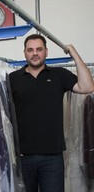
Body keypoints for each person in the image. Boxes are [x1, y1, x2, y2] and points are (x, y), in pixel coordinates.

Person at [9, 34, 94, 192]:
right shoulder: (12, 78)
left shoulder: (59, 75)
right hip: (23, 158)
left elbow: (88, 87)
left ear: (46, 52)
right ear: (25, 53)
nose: (35, 53)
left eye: (39, 49)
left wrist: (74, 53)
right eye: (30, 50)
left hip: (52, 158)